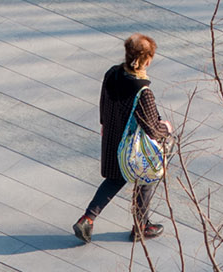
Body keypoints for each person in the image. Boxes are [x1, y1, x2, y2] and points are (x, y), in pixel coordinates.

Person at [72, 34, 173, 244]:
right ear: (147, 60)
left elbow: (103, 101)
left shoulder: (112, 73)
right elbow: (152, 128)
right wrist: (166, 129)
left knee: (116, 178)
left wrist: (103, 124)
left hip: (112, 137)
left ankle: (87, 219)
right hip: (132, 146)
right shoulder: (143, 92)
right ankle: (141, 226)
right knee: (148, 177)